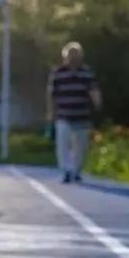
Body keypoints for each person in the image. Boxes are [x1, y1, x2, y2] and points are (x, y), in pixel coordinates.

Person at [46, 41, 102, 183]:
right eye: (70, 55)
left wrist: (97, 103)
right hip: (63, 115)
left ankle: (76, 171)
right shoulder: (58, 73)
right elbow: (51, 94)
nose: (72, 58)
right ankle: (65, 170)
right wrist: (51, 113)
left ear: (80, 56)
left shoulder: (86, 72)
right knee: (63, 144)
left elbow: (93, 89)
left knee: (81, 147)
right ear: (65, 56)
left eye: (75, 55)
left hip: (82, 115)